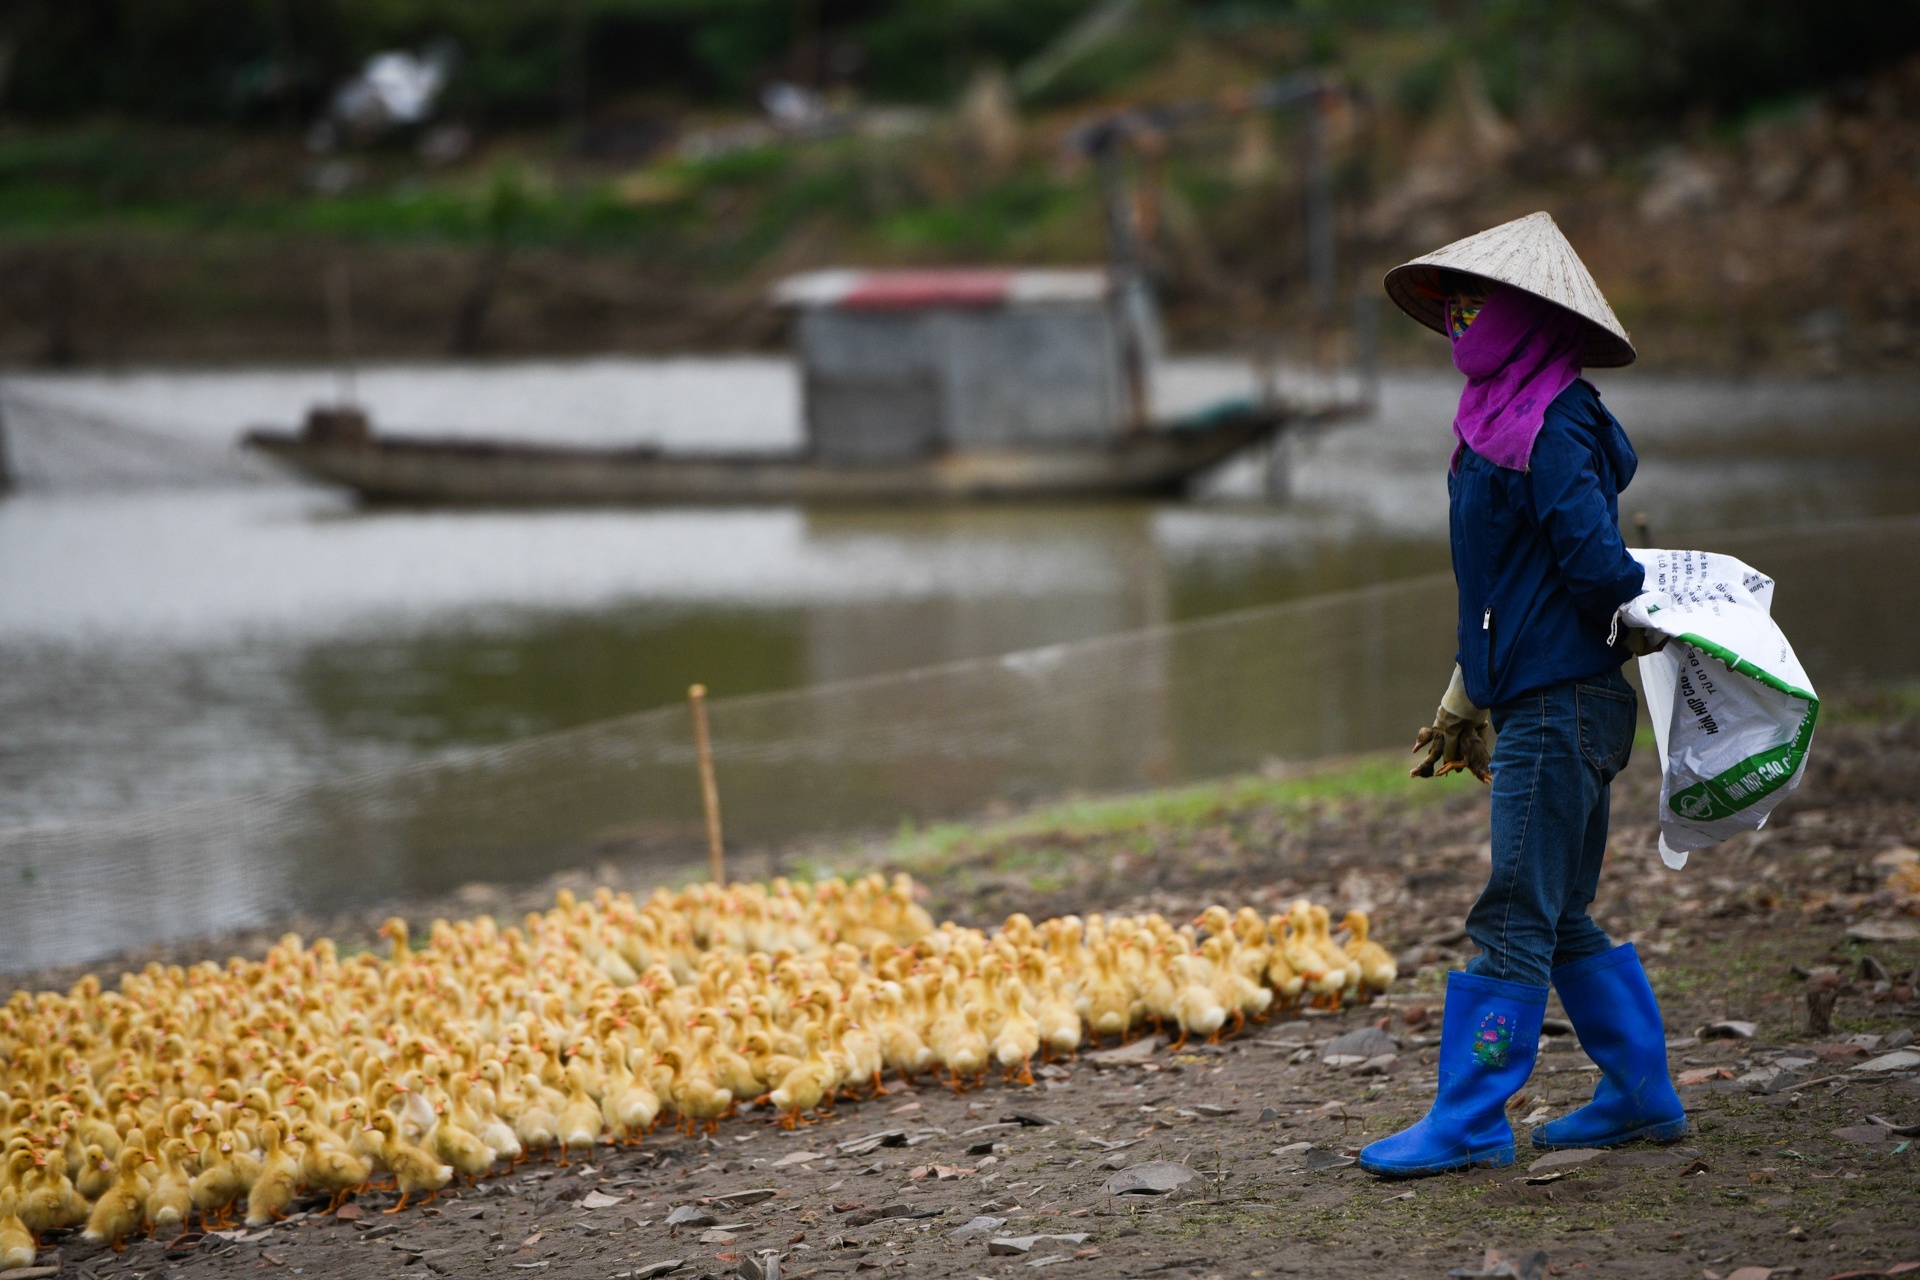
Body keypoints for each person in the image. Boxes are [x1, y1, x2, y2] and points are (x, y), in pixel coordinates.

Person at [1358, 212, 1687, 1178]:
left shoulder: (1549, 423)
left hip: (1562, 704)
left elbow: (1592, 565)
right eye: (1453, 303)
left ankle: (1469, 1118)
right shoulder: (1492, 424)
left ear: (1530, 317)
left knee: (1513, 912)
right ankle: (1639, 1096)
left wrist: (1644, 610)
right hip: (1535, 696)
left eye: (1478, 302)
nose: (1461, 318)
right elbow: (1509, 583)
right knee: (1559, 908)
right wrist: (1470, 692)